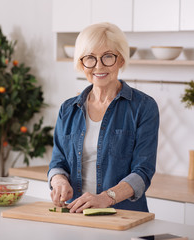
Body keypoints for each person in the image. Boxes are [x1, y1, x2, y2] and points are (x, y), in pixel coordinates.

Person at [48, 22, 159, 213]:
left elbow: (143, 172)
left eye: (108, 56)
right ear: (81, 64)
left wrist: (105, 199)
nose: (98, 66)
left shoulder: (144, 107)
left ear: (121, 60)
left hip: (124, 216)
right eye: (90, 58)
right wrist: (58, 181)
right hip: (76, 214)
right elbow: (58, 162)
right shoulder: (68, 109)